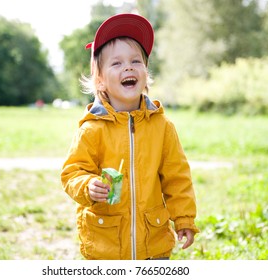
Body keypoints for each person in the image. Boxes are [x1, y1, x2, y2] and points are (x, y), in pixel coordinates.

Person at [61, 13, 199, 260]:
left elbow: (177, 177)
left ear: (145, 73)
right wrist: (88, 185)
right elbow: (73, 172)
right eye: (116, 63)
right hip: (107, 244)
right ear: (100, 81)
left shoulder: (162, 126)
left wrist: (184, 218)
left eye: (136, 61)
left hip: (153, 243)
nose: (128, 67)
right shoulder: (92, 128)